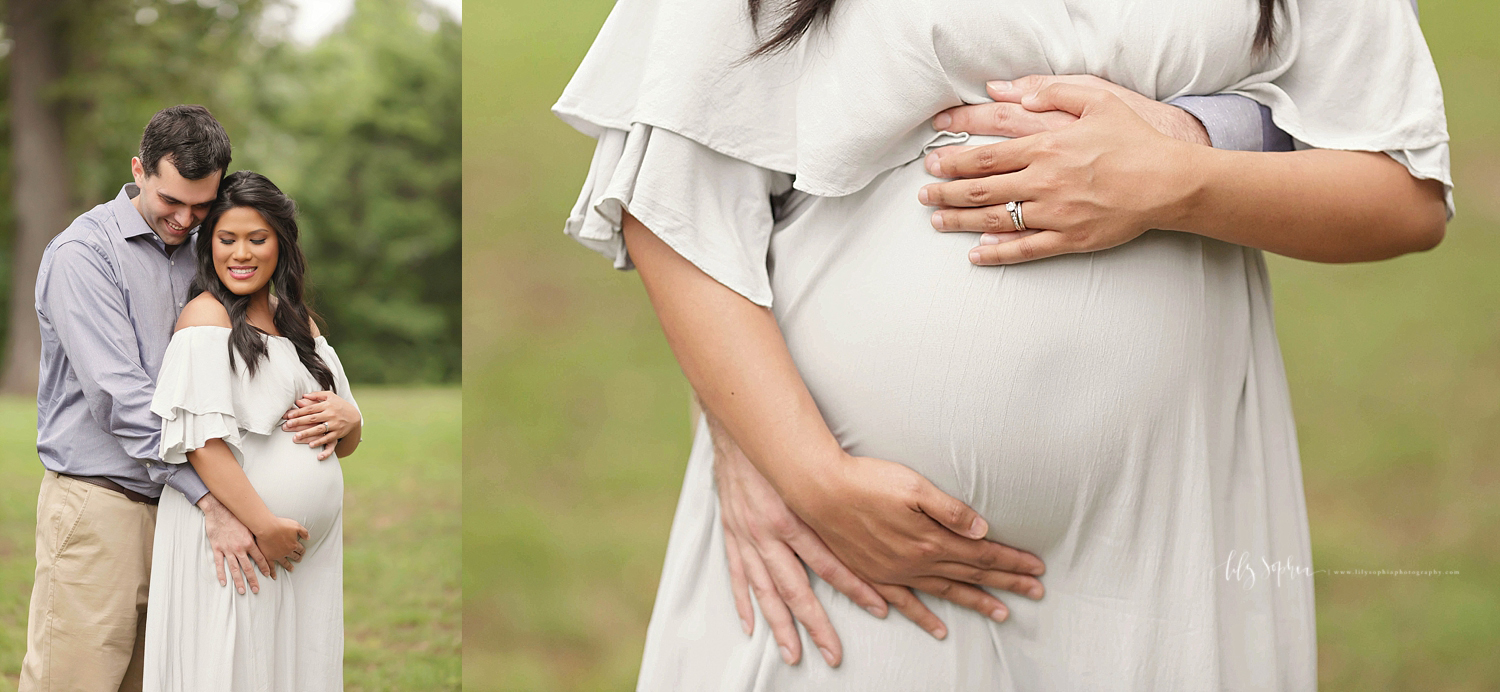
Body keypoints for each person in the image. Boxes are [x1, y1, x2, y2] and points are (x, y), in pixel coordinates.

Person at [555, 0, 1448, 688]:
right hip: (848, 534)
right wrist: (799, 468)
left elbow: (1402, 193)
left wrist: (1183, 179)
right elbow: (673, 187)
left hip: (1168, 522)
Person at [142, 170, 361, 690]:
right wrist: (264, 524)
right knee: (233, 669)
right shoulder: (205, 319)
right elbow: (201, 444)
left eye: (257, 239)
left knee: (292, 671)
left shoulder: (299, 323)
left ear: (281, 246)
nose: (241, 254)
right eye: (226, 239)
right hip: (241, 540)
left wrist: (353, 419)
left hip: (300, 555)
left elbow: (344, 437)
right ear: (209, 246)